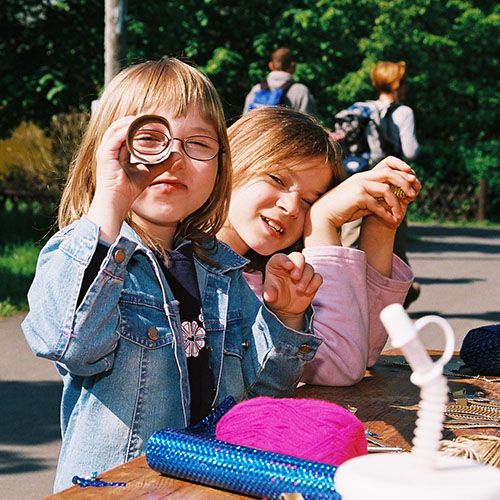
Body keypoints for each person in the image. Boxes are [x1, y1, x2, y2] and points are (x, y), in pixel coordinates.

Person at [21, 58, 324, 491]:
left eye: (198, 144)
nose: (174, 157)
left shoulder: (222, 271)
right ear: (107, 152)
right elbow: (69, 342)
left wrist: (287, 317)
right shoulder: (86, 252)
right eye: (150, 139)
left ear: (221, 164)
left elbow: (260, 398)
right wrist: (110, 201)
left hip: (207, 486)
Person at [218, 107, 421, 386]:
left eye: (309, 201)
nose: (291, 207)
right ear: (231, 160)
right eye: (278, 179)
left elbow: (361, 350)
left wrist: (379, 227)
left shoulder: (264, 274)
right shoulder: (196, 271)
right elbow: (341, 364)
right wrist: (322, 219)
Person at [341, 60, 420, 307]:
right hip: (390, 184)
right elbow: (411, 150)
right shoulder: (403, 112)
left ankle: (346, 296)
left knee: (350, 242)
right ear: (398, 84)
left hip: (358, 181)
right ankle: (401, 293)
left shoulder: (362, 108)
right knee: (392, 242)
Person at [243, 47, 317, 116]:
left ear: (270, 65)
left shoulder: (256, 89)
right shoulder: (301, 91)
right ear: (293, 66)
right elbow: (310, 123)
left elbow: (244, 120)